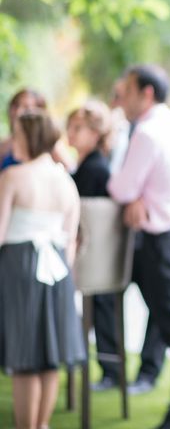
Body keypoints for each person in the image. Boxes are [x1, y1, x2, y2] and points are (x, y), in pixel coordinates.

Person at [107, 64, 170, 428]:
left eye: (127, 90)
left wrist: (132, 194)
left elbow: (121, 188)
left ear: (146, 93)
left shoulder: (148, 131)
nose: (123, 98)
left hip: (166, 241)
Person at [0, 112, 86, 429]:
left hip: (19, 269)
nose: (11, 142)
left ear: (28, 138)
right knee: (49, 358)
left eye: (16, 135)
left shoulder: (12, 177)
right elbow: (71, 241)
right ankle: (41, 424)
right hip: (58, 271)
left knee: (24, 359)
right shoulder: (66, 181)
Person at [67, 100, 121, 391]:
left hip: (98, 259)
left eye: (78, 128)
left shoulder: (94, 168)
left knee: (102, 308)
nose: (70, 133)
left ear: (95, 132)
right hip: (96, 257)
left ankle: (109, 371)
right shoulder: (89, 165)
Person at [0, 88, 48, 169]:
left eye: (26, 107)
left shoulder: (48, 144)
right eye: (16, 105)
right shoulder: (3, 145)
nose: (18, 112)